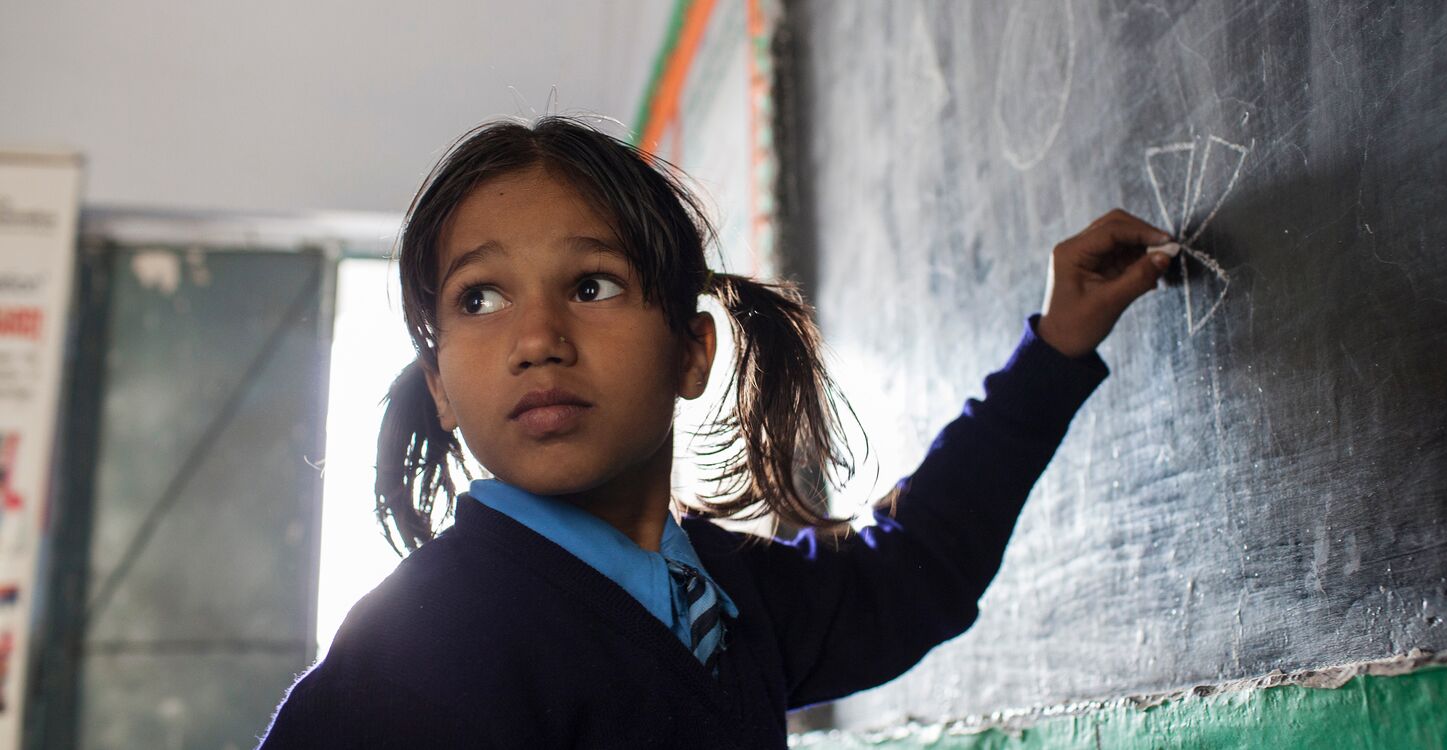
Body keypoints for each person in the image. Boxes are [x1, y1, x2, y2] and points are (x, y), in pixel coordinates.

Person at [257, 115, 1172, 748]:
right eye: (480, 298)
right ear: (441, 386)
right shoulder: (421, 647)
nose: (537, 339)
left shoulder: (724, 601)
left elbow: (910, 577)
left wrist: (1052, 352)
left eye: (592, 286)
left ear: (693, 350)